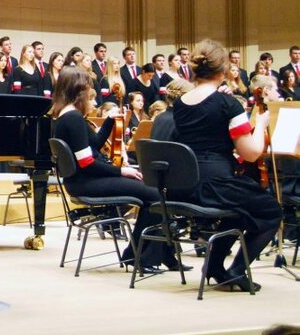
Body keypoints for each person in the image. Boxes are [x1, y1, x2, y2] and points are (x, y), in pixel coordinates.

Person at [172, 39, 282, 292]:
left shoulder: (180, 103)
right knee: (270, 212)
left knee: (244, 208)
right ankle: (235, 271)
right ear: (223, 70)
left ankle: (214, 266)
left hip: (184, 184)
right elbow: (251, 153)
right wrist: (261, 124)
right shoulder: (228, 104)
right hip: (215, 184)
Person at [50, 67, 179, 272]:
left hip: (81, 180)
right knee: (156, 195)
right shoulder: (73, 118)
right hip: (86, 182)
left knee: (152, 193)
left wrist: (109, 122)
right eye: (88, 89)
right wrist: (122, 171)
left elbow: (93, 145)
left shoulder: (65, 115)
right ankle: (140, 257)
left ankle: (144, 254)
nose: (90, 95)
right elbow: (87, 163)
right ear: (79, 90)